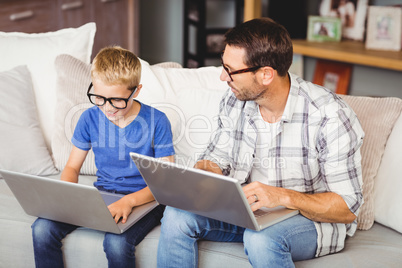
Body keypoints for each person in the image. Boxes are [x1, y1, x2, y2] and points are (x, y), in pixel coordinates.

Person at [157, 18, 364, 267]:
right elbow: (217, 156)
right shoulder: (235, 100)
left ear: (266, 74)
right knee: (176, 215)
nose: (223, 77)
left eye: (230, 70)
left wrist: (282, 197)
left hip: (309, 220)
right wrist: (204, 172)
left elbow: (347, 207)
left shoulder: (329, 115)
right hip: (246, 210)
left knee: (261, 239)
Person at [31, 46, 175, 268]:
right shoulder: (89, 118)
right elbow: (72, 167)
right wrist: (67, 195)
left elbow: (165, 182)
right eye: (99, 97)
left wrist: (129, 201)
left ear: (136, 91)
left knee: (116, 244)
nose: (107, 108)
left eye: (116, 100)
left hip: (144, 201)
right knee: (42, 229)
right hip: (103, 196)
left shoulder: (157, 121)